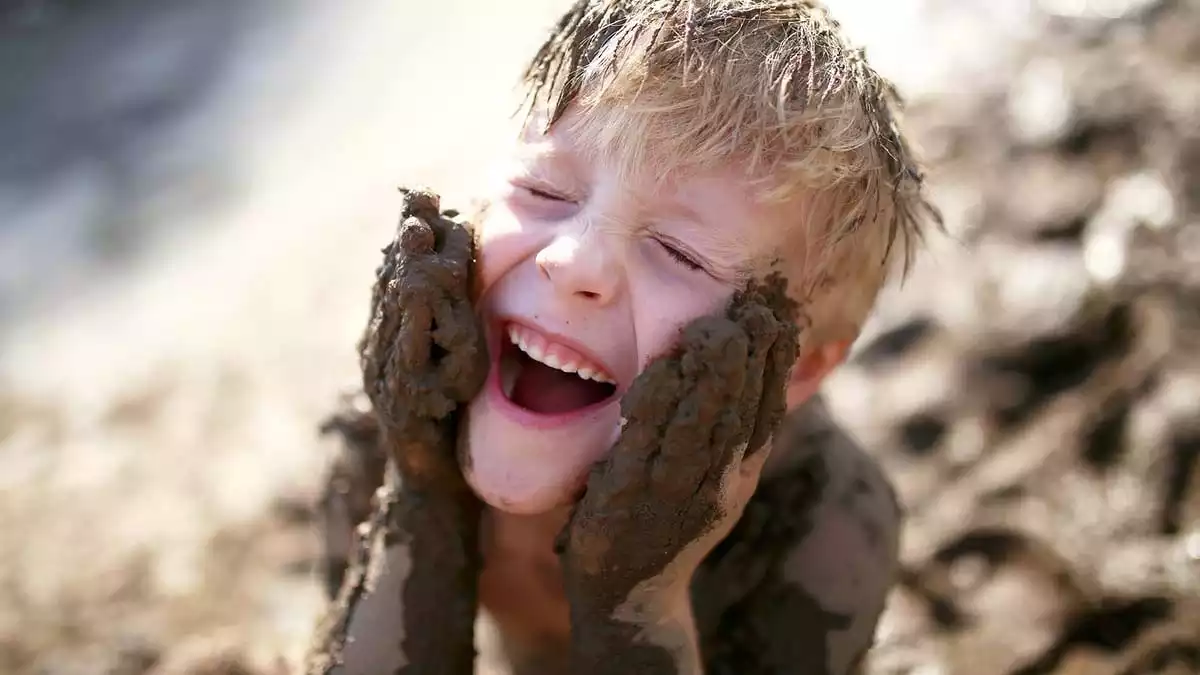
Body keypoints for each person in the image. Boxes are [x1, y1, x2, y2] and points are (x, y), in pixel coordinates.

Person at [307, 1, 938, 674]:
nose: (574, 260)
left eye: (682, 252)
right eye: (544, 189)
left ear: (801, 371)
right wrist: (419, 492)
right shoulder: (387, 432)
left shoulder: (825, 524)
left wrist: (638, 600)